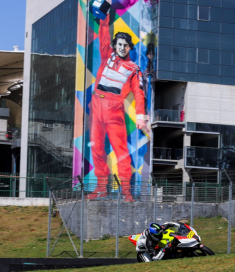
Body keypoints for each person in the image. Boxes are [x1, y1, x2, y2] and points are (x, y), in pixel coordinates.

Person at [88, 3, 147, 202]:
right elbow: (104, 34)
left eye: (126, 45)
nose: (122, 47)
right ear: (115, 45)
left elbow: (139, 94)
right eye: (119, 44)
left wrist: (140, 116)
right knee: (96, 147)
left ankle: (127, 192)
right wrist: (103, 17)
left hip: (114, 107)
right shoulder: (107, 56)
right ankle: (101, 187)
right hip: (96, 104)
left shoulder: (133, 68)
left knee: (120, 150)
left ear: (130, 47)